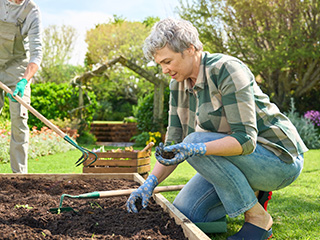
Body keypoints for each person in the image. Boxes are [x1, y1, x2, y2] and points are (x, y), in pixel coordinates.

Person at [126, 18, 308, 240]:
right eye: (160, 64)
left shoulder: (227, 70)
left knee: (194, 142)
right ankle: (249, 193)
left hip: (278, 159)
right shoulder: (178, 84)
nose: (164, 70)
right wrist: (149, 184)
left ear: (189, 49)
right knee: (187, 212)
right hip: (237, 161)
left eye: (167, 61)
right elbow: (174, 146)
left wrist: (196, 149)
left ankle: (257, 218)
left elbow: (246, 140)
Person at [0, 0, 42, 173]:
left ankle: (19, 178)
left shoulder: (31, 11)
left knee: (20, 119)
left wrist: (24, 80)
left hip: (18, 67)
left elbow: (37, 52)